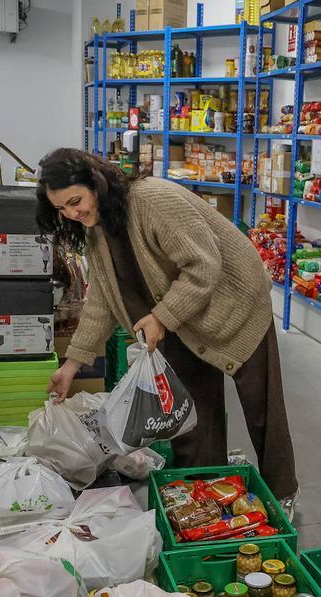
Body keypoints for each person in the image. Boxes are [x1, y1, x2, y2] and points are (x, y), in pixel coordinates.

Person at [34, 148, 299, 507]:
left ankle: (282, 492)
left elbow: (204, 266)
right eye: (62, 210)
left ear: (96, 183)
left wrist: (161, 316)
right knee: (190, 420)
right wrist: (72, 364)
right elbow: (102, 300)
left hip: (234, 306)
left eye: (75, 201)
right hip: (179, 323)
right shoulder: (96, 229)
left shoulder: (154, 200)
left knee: (261, 408)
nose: (73, 213)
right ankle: (205, 496)